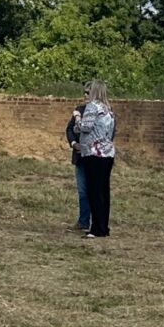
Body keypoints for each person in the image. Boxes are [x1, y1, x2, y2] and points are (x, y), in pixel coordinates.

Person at [74, 79, 116, 239]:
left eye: (88, 91)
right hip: (107, 153)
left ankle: (96, 229)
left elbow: (85, 127)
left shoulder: (92, 107)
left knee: (94, 191)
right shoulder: (108, 109)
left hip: (94, 153)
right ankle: (103, 226)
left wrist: (77, 118)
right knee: (104, 191)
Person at [64, 85, 90, 231]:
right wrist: (74, 143)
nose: (85, 95)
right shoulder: (78, 110)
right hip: (79, 156)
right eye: (84, 93)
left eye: (89, 93)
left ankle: (96, 222)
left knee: (94, 190)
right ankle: (83, 221)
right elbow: (69, 129)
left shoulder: (102, 112)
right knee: (82, 190)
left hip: (93, 156)